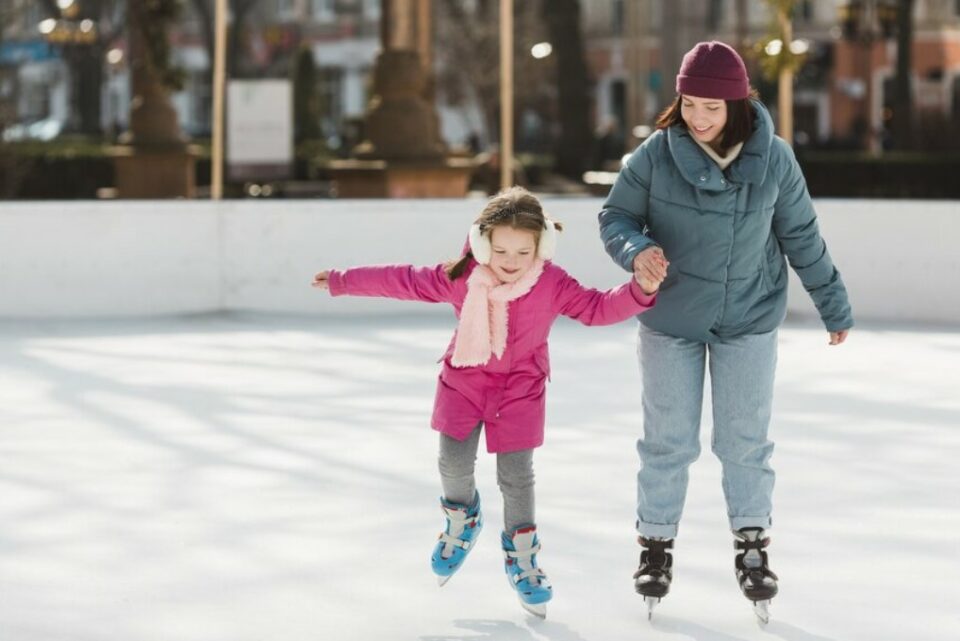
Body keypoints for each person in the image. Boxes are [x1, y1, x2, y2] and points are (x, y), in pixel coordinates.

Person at [312, 186, 664, 618]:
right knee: (452, 464)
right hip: (464, 381)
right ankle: (462, 519)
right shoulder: (462, 277)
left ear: (541, 247)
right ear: (482, 243)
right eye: (500, 250)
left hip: (520, 390)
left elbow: (595, 308)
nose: (511, 261)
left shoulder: (551, 283)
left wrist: (640, 289)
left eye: (522, 251)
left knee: (517, 478)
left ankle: (522, 554)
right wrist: (343, 281)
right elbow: (403, 280)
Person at [597, 41, 853, 623]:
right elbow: (615, 216)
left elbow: (802, 237)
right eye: (690, 104)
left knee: (744, 441)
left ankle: (752, 543)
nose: (699, 117)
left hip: (749, 317)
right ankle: (656, 545)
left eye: (712, 106)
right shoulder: (657, 154)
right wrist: (637, 251)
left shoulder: (777, 158)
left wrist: (832, 304)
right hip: (671, 319)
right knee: (668, 441)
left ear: (737, 103)